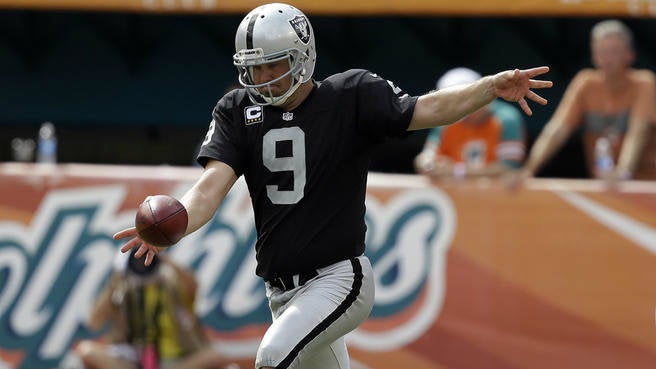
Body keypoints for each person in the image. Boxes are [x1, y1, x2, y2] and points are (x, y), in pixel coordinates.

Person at [114, 3, 552, 368]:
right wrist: (177, 223)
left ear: (302, 57)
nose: (263, 78)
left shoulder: (350, 96)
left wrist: (489, 88)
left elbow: (427, 110)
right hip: (281, 291)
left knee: (272, 356)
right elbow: (211, 186)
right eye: (255, 68)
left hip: (340, 279)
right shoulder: (237, 110)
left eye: (273, 65)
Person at [516, 19, 656, 183]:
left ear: (630, 55)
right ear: (594, 55)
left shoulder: (644, 83)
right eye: (602, 51)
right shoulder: (586, 83)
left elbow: (638, 133)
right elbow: (557, 130)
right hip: (603, 185)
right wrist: (529, 169)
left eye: (614, 52)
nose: (607, 59)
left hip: (645, 184)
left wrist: (623, 172)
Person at [74, 249, 237, 369]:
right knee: (86, 351)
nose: (144, 262)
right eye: (138, 259)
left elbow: (193, 285)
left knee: (216, 356)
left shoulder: (171, 284)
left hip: (177, 361)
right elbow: (94, 322)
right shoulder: (122, 290)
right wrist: (119, 274)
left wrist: (162, 257)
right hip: (134, 361)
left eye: (147, 257)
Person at [415, 67, 526, 179]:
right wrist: (429, 165)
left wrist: (457, 171)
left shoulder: (507, 119)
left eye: (460, 101)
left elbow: (509, 168)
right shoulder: (448, 120)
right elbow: (426, 156)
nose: (456, 108)